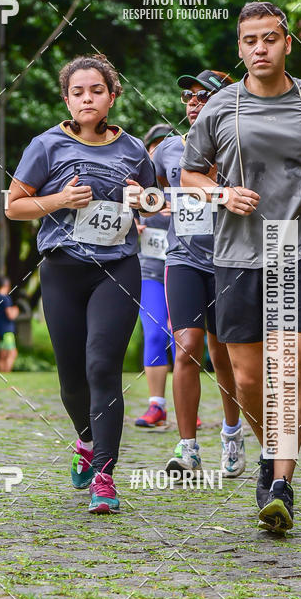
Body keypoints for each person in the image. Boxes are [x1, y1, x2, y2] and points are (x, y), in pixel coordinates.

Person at [180, 1, 301, 534]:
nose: (260, 48)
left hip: (295, 247)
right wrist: (222, 193)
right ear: (239, 48)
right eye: (250, 40)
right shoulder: (221, 108)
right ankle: (267, 453)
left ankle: (280, 483)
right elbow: (191, 175)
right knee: (248, 378)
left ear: (287, 44)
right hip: (235, 254)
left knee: (286, 371)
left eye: (270, 38)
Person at [6, 53, 155, 514]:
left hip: (118, 267)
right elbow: (14, 206)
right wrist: (61, 199)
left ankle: (105, 477)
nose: (87, 98)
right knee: (72, 377)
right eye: (77, 92)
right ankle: (87, 441)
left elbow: (152, 205)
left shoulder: (133, 149)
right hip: (63, 269)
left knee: (102, 366)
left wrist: (142, 198)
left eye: (96, 90)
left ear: (112, 96)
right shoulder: (46, 145)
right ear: (66, 99)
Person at [151, 69, 246, 479]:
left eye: (202, 95)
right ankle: (187, 448)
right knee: (186, 345)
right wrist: (157, 206)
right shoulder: (168, 149)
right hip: (184, 258)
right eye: (188, 96)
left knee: (223, 353)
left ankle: (232, 431)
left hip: (229, 260)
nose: (192, 101)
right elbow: (153, 190)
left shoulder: (240, 148)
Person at [135, 124, 175, 428]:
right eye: (155, 145)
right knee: (155, 334)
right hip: (148, 271)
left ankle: (189, 404)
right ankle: (156, 405)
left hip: (182, 270)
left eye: (166, 145)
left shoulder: (188, 183)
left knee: (183, 340)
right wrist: (131, 226)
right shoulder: (136, 188)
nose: (160, 151)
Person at [0, 277, 19, 373]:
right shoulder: (6, 298)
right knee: (12, 353)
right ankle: (7, 374)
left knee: (2, 355)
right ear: (7, 285)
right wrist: (16, 310)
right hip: (7, 331)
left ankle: (1, 376)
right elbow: (10, 315)